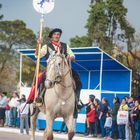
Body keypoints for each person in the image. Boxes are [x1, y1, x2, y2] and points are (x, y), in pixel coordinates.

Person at [34, 28, 81, 104]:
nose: (56, 36)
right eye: (55, 34)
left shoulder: (65, 46)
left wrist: (70, 58)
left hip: (64, 69)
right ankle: (40, 97)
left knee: (77, 79)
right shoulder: (46, 46)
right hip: (51, 69)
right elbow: (37, 55)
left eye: (58, 34)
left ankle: (77, 101)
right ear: (52, 36)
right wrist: (38, 44)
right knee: (41, 79)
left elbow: (72, 55)